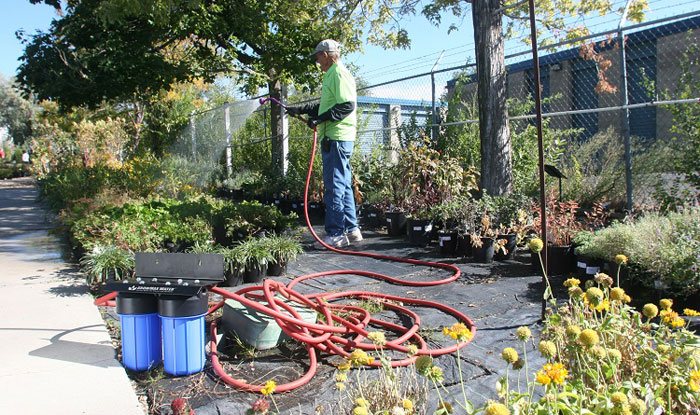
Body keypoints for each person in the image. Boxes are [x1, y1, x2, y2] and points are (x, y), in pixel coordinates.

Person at [287, 39, 362, 248]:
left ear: (327, 55)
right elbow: (325, 105)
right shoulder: (332, 74)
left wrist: (320, 120)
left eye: (318, 57)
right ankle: (352, 229)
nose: (317, 61)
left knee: (334, 185)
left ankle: (336, 234)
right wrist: (300, 109)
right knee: (344, 184)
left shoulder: (338, 73)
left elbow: (347, 105)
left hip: (336, 136)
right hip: (338, 137)